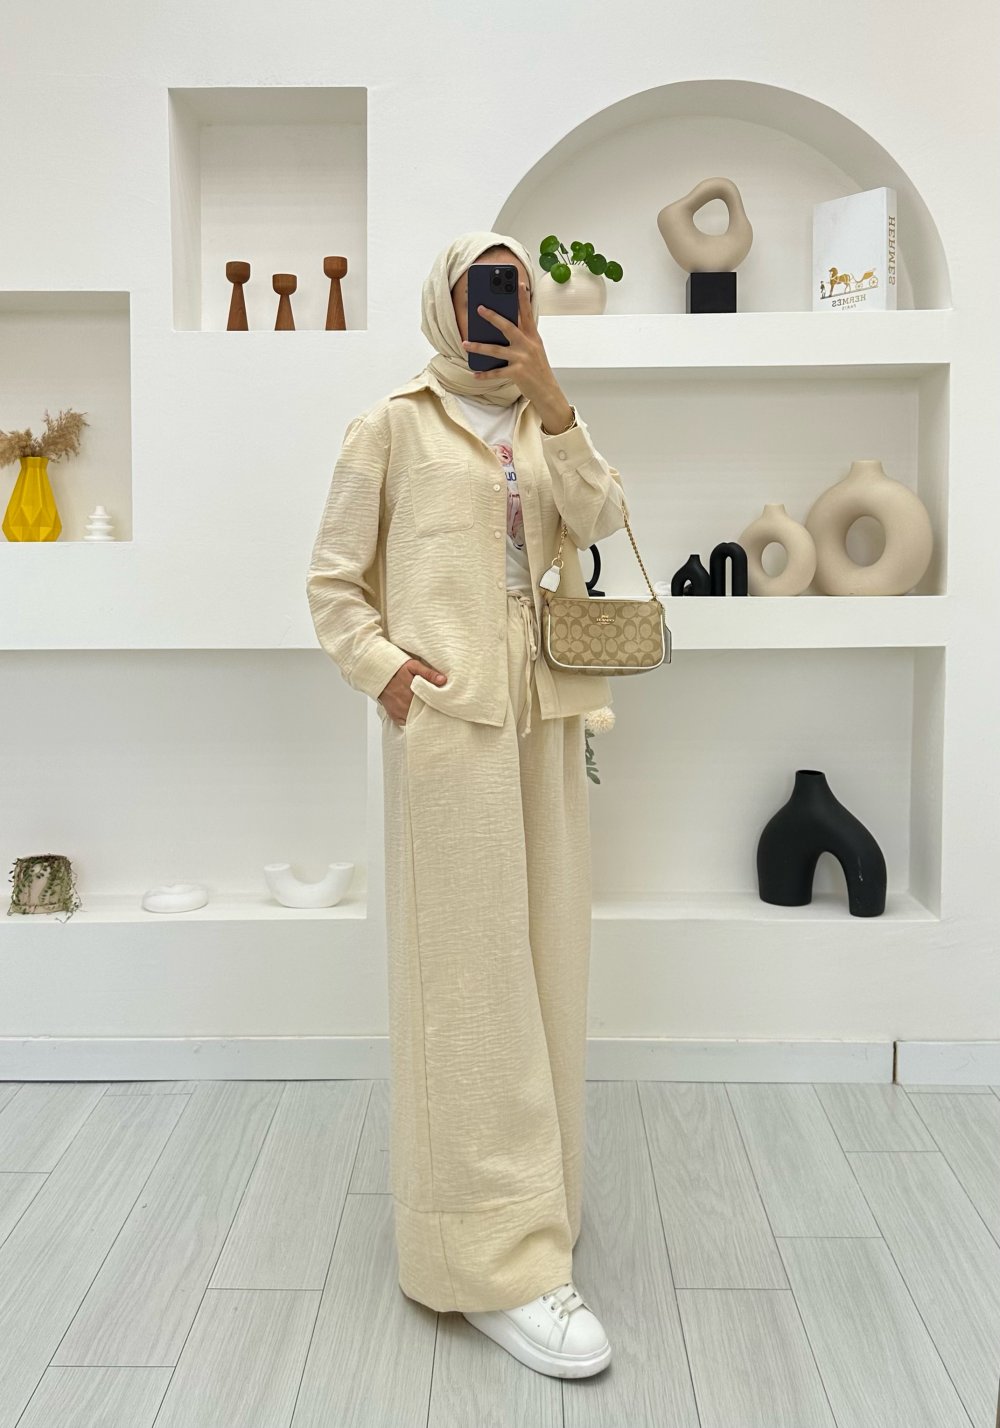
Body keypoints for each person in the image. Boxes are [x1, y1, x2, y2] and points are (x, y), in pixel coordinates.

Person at [306, 230, 630, 1379]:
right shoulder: (390, 426)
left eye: (518, 290)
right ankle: (488, 1263)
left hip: (549, 717)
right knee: (469, 991)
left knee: (547, 968)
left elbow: (601, 520)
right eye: (484, 288)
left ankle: (541, 1216)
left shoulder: (543, 422)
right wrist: (392, 675)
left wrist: (555, 400)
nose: (503, 306)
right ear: (445, 303)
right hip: (450, 734)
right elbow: (332, 586)